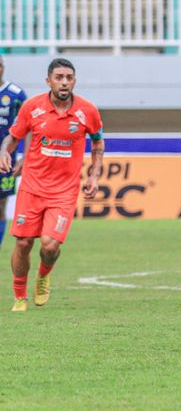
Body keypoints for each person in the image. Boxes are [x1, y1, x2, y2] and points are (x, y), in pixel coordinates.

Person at [0, 58, 104, 312]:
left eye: (69, 77)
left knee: (50, 245)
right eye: (59, 77)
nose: (64, 82)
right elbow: (12, 138)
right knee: (24, 243)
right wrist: (4, 152)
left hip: (64, 191)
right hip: (32, 187)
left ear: (74, 81)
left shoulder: (87, 111)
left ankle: (44, 275)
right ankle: (20, 296)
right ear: (48, 81)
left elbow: (98, 143)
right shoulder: (31, 107)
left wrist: (94, 175)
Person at [0, 55, 28, 251]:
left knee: (1, 206)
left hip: (6, 161)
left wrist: (25, 158)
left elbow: (30, 129)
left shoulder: (16, 94)